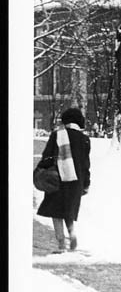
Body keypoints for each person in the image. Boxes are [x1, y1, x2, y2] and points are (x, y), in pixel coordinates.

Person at [36, 107, 91, 254]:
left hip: (58, 178)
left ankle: (61, 243)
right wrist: (86, 183)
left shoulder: (57, 135)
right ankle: (72, 234)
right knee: (68, 210)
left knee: (56, 211)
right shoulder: (85, 139)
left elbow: (48, 156)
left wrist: (41, 170)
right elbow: (86, 164)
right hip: (76, 181)